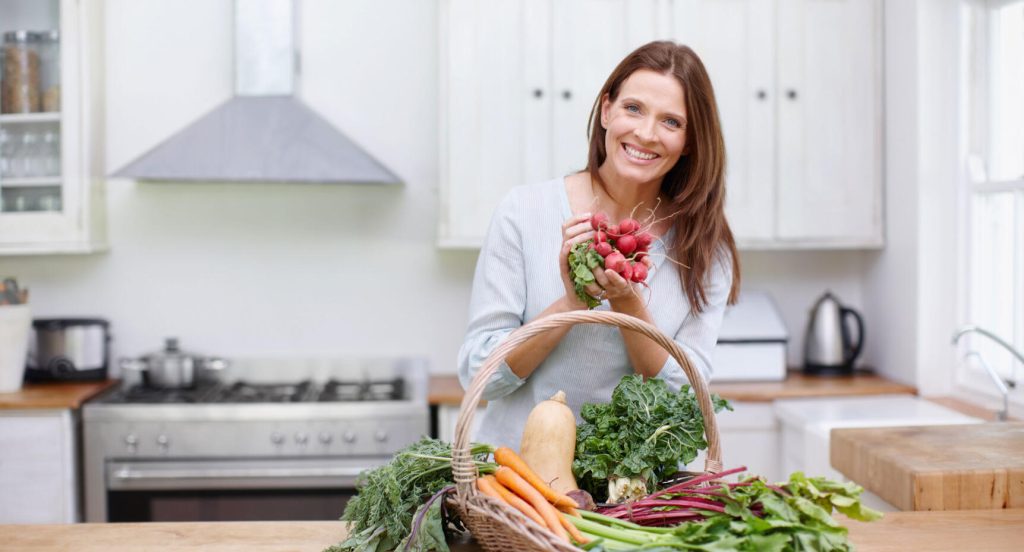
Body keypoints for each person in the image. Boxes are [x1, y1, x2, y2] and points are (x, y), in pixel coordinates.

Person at [458, 41, 741, 449]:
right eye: (633, 108)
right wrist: (571, 304)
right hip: (516, 481)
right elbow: (479, 375)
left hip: (636, 492)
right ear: (606, 110)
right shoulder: (523, 212)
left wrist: (628, 304)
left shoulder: (706, 249)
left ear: (691, 141)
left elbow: (684, 395)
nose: (646, 133)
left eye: (671, 122)